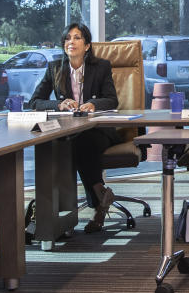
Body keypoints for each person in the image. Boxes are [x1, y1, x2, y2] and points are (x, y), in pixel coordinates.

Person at [29, 23, 120, 233]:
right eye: (68, 38)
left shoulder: (101, 67)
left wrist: (93, 104)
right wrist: (59, 105)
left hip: (99, 131)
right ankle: (98, 195)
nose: (71, 42)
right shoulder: (55, 68)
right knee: (60, 144)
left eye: (77, 38)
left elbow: (112, 100)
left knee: (80, 143)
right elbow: (35, 101)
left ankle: (97, 201)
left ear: (87, 45)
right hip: (68, 130)